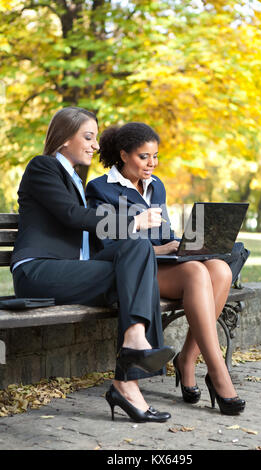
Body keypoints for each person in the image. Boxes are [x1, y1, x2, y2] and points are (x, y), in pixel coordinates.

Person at [11, 108, 175, 423]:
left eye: (95, 138)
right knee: (137, 272)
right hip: (40, 271)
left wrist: (137, 232)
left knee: (138, 252)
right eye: (88, 137)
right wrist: (132, 220)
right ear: (62, 139)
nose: (96, 145)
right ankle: (128, 379)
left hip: (74, 271)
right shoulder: (43, 167)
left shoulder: (73, 177)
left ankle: (133, 348)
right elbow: (73, 216)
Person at [86, 122, 246, 415]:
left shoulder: (156, 185)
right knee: (198, 273)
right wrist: (158, 249)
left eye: (155, 156)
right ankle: (218, 373)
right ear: (123, 155)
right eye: (143, 157)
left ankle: (187, 360)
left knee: (221, 269)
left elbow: (163, 233)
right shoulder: (100, 189)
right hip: (132, 272)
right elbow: (106, 245)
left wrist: (184, 244)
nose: (151, 164)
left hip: (166, 263)